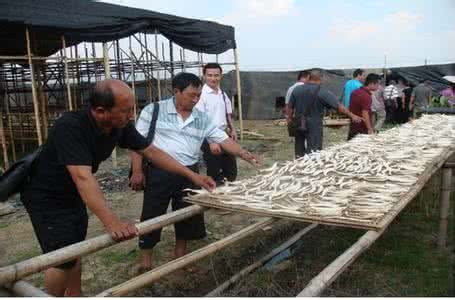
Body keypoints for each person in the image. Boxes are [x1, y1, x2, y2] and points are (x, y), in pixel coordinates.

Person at [20, 80, 215, 296]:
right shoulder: (71, 126)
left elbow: (152, 152)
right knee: (61, 258)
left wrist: (192, 175)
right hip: (46, 196)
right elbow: (82, 177)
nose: (131, 115)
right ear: (101, 111)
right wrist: (111, 222)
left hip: (73, 193)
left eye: (132, 109)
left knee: (74, 246)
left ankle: (74, 295)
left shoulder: (118, 125)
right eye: (126, 110)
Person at [130, 72, 259, 272]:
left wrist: (243, 153)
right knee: (152, 215)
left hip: (190, 173)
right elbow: (138, 143)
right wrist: (137, 171)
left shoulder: (201, 118)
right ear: (177, 91)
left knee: (187, 215)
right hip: (159, 173)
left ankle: (180, 256)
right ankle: (146, 261)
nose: (196, 99)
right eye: (191, 95)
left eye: (198, 95)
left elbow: (223, 139)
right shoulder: (153, 111)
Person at [287, 69, 362, 157]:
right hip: (314, 125)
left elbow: (290, 108)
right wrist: (352, 115)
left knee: (299, 148)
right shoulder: (322, 92)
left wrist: (290, 119)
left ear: (308, 77)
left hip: (298, 122)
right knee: (313, 151)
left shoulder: (297, 89)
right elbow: (338, 106)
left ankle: (298, 165)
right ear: (320, 78)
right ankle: (311, 166)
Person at [195, 63, 238, 185]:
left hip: (224, 135)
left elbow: (227, 114)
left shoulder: (222, 93)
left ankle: (227, 192)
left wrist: (232, 129)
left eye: (216, 75)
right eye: (209, 75)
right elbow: (200, 120)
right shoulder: (201, 95)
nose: (213, 78)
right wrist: (211, 142)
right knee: (215, 172)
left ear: (221, 76)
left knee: (231, 171)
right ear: (204, 76)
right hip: (209, 137)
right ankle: (215, 198)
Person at [348, 73, 380, 139]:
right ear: (371, 84)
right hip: (362, 128)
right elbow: (365, 113)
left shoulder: (354, 92)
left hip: (353, 126)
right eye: (377, 84)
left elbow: (350, 107)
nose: (378, 86)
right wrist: (369, 129)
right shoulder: (366, 96)